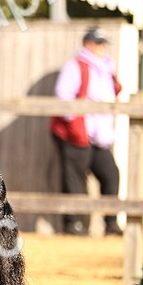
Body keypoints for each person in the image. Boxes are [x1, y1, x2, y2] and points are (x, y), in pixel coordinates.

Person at [51, 26, 122, 237]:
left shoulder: (106, 68)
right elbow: (63, 96)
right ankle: (73, 224)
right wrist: (75, 126)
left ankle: (111, 223)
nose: (103, 47)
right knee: (74, 179)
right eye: (99, 43)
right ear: (88, 44)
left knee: (111, 174)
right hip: (78, 134)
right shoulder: (75, 66)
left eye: (104, 43)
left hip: (99, 137)